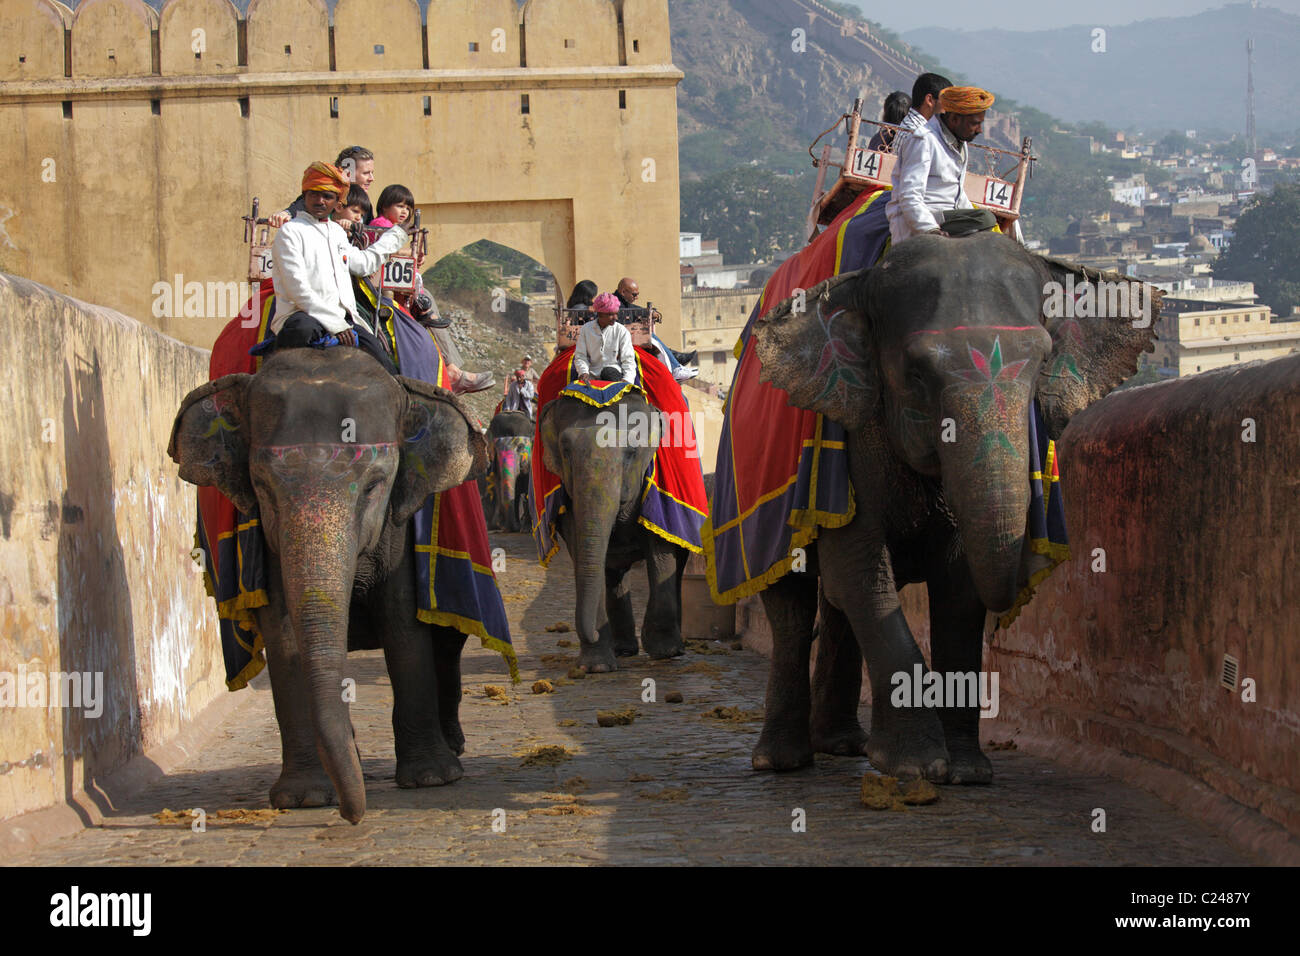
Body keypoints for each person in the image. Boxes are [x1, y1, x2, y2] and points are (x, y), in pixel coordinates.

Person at [268, 161, 408, 374]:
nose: (320, 200)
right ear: (305, 195)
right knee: (302, 332)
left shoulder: (337, 233)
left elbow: (362, 264)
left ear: (337, 201)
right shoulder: (290, 232)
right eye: (314, 194)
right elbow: (298, 289)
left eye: (327, 196)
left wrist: (395, 236)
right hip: (302, 315)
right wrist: (334, 324)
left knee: (384, 365)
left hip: (344, 319)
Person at [885, 85, 998, 243]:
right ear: (954, 119)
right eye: (975, 123)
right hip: (926, 220)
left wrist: (972, 214)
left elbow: (956, 192)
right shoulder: (924, 140)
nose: (979, 130)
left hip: (947, 217)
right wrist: (930, 229)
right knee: (986, 219)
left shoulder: (960, 144)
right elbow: (909, 196)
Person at [269, 146, 375, 227]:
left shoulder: (365, 204)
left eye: (372, 173)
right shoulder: (326, 193)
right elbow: (300, 205)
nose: (371, 178)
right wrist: (285, 214)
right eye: (366, 173)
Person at [614, 276, 696, 366]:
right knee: (648, 334)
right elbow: (628, 313)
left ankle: (674, 358)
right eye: (634, 294)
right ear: (623, 292)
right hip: (619, 343)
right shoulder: (615, 303)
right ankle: (675, 360)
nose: (636, 297)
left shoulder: (622, 301)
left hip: (626, 339)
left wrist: (649, 312)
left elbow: (634, 309)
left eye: (637, 294)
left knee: (650, 338)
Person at [573, 292, 636, 384]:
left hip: (614, 374)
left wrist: (627, 380)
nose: (615, 317)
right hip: (591, 375)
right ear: (600, 314)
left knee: (608, 372)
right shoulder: (586, 329)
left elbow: (628, 359)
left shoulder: (621, 331)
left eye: (616, 314)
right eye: (611, 314)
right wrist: (583, 372)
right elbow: (580, 355)